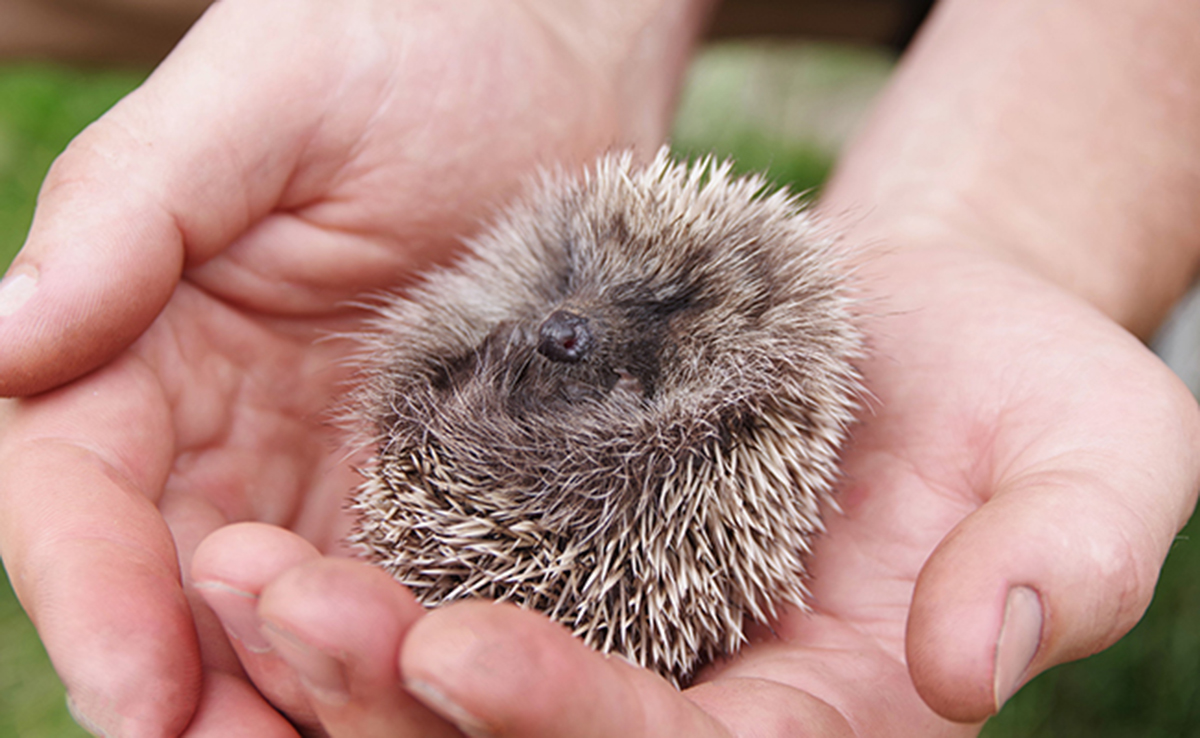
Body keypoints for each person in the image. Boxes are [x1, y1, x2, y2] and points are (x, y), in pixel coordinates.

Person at [1, 0, 1198, 735]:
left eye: (648, 315)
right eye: (577, 288)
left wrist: (1008, 224)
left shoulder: (739, 406)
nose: (574, 324)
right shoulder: (538, 298)